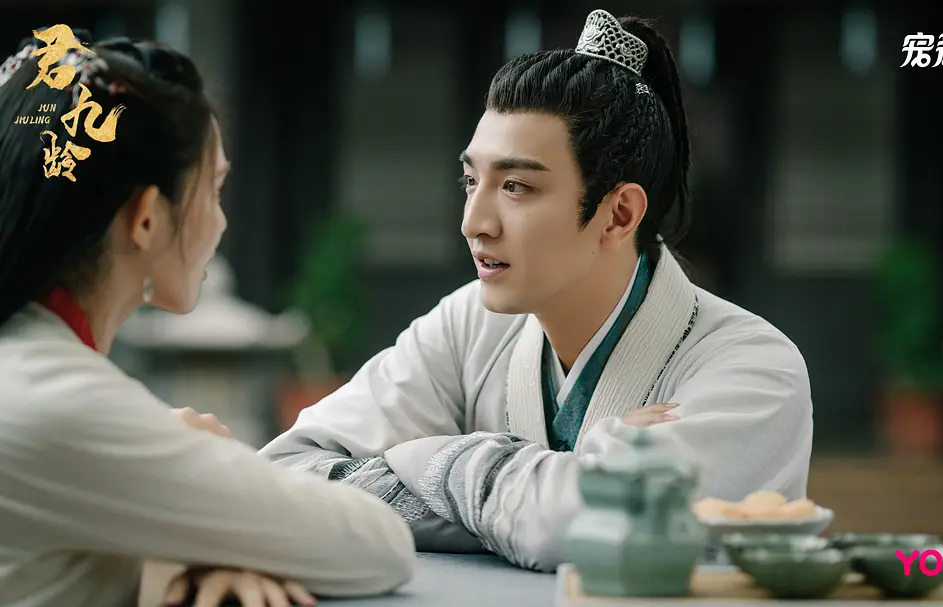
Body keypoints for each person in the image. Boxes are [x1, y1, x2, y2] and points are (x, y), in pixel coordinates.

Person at [261, 9, 813, 572]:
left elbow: (587, 528)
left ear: (619, 214)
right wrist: (533, 482)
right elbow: (281, 479)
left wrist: (431, 461)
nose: (474, 223)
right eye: (471, 181)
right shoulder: (467, 326)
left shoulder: (753, 370)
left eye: (517, 186)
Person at [0, 26, 414, 607]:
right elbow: (377, 543)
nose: (221, 222)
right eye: (214, 189)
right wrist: (198, 494)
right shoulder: (59, 401)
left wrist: (195, 518)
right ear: (147, 217)